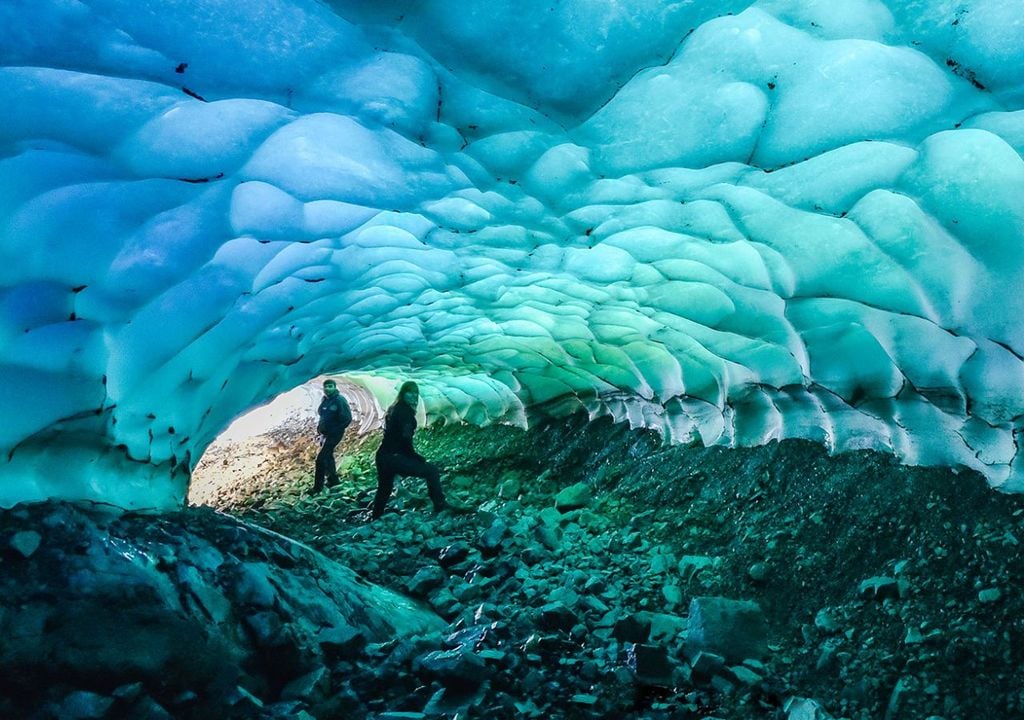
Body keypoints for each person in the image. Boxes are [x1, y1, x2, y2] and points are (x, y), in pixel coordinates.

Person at [372, 381, 448, 519]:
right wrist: (415, 457)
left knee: (384, 488)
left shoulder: (394, 408)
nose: (413, 396)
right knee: (431, 471)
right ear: (403, 393)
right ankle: (440, 506)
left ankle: (375, 516)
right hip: (394, 457)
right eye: (410, 392)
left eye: (416, 393)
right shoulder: (405, 412)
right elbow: (405, 439)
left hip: (383, 456)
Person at [313, 379, 352, 494]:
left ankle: (317, 487)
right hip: (325, 434)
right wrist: (320, 429)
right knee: (328, 456)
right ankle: (333, 480)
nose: (327, 388)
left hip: (334, 434)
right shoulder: (325, 400)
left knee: (320, 459)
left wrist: (335, 430)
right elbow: (323, 415)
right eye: (326, 386)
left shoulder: (339, 400)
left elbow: (347, 419)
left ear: (335, 387)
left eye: (330, 386)